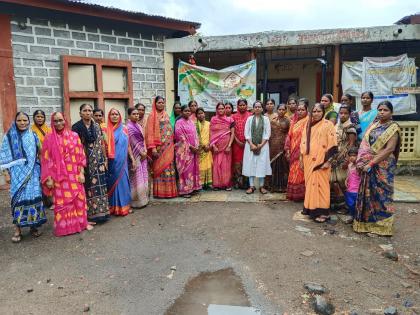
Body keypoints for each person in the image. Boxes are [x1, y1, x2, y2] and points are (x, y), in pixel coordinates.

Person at [353, 101, 401, 236]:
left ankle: (383, 226)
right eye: (379, 110)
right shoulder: (374, 125)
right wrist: (364, 161)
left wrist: (371, 163)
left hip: (383, 165)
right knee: (369, 193)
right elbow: (364, 144)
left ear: (391, 112)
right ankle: (367, 223)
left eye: (385, 110)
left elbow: (390, 149)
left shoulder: (393, 128)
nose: (381, 112)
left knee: (382, 194)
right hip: (369, 163)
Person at [41, 112, 90, 236]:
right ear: (52, 122)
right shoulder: (48, 138)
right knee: (62, 203)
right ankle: (65, 227)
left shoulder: (74, 136)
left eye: (60, 120)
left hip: (74, 174)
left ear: (65, 120)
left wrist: (82, 173)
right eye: (55, 121)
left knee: (78, 199)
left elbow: (80, 156)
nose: (58, 123)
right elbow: (46, 160)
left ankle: (81, 223)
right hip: (58, 177)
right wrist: (48, 178)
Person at [0, 112, 47, 242]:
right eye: (19, 120)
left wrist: (42, 170)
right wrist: (5, 174)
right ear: (15, 121)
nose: (22, 123)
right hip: (16, 175)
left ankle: (33, 226)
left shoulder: (33, 135)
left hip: (32, 173)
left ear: (28, 121)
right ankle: (17, 229)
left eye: (25, 120)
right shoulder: (9, 136)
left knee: (33, 199)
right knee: (17, 200)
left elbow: (39, 153)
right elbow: (4, 156)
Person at [72, 104, 110, 224]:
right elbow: (75, 147)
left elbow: (102, 143)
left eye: (89, 110)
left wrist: (105, 159)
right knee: (88, 187)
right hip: (85, 163)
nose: (87, 113)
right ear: (80, 113)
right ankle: (90, 215)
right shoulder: (76, 128)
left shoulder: (97, 126)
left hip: (98, 161)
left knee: (101, 186)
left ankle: (102, 212)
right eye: (85, 111)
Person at [300, 103, 338, 222]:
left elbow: (333, 145)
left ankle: (323, 212)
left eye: (319, 111)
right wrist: (301, 159)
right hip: (308, 160)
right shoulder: (308, 124)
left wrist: (328, 161)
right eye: (314, 111)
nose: (316, 114)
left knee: (322, 186)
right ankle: (311, 209)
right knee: (310, 185)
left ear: (323, 112)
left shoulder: (328, 125)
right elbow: (303, 143)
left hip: (322, 162)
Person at [146, 96, 178, 198]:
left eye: (162, 102)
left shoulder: (166, 114)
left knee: (169, 168)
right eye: (159, 102)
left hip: (168, 147)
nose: (161, 104)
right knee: (159, 169)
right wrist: (153, 148)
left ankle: (170, 192)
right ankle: (160, 193)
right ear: (155, 104)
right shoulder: (152, 115)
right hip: (159, 148)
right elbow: (149, 133)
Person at [330, 105, 357, 212]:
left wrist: (345, 159)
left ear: (349, 114)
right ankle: (340, 204)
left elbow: (351, 144)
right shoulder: (337, 125)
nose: (343, 115)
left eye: (345, 113)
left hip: (344, 157)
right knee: (334, 181)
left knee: (344, 183)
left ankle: (347, 205)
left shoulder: (350, 127)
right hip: (335, 156)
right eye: (341, 113)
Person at [106, 108, 133, 215]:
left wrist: (132, 158)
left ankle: (124, 207)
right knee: (112, 183)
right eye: (112, 114)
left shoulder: (125, 129)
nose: (114, 116)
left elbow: (128, 145)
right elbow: (104, 146)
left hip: (123, 162)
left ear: (119, 116)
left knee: (123, 184)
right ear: (109, 116)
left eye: (116, 114)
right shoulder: (106, 129)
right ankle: (112, 207)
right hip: (112, 162)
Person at [243, 101, 271, 194]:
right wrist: (251, 144)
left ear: (262, 108)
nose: (258, 108)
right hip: (250, 146)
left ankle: (261, 186)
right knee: (250, 165)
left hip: (263, 146)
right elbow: (246, 133)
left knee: (261, 165)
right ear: (253, 108)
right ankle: (251, 186)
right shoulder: (249, 119)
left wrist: (261, 145)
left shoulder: (266, 119)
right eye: (256, 107)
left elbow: (267, 134)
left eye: (259, 107)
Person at [285, 98, 309, 201]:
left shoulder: (309, 121)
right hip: (293, 150)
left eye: (302, 110)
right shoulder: (294, 121)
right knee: (293, 171)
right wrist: (287, 149)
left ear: (307, 110)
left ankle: (301, 195)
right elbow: (289, 135)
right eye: (298, 110)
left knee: (301, 172)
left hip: (303, 151)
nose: (300, 112)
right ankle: (293, 194)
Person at [174, 105, 201, 197]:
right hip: (184, 152)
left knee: (193, 170)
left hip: (193, 152)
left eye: (189, 111)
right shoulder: (178, 123)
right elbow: (180, 137)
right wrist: (190, 147)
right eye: (185, 111)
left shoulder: (192, 122)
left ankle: (192, 188)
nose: (188, 112)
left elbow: (196, 135)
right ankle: (184, 190)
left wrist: (196, 146)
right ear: (181, 112)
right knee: (185, 170)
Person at [127, 107, 149, 208]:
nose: (136, 115)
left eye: (137, 114)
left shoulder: (139, 126)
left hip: (143, 155)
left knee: (143, 176)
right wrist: (141, 152)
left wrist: (145, 151)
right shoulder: (128, 127)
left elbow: (143, 139)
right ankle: (136, 201)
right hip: (135, 156)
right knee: (136, 178)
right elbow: (132, 142)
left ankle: (144, 199)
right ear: (129, 115)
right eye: (134, 114)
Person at [210, 102, 235, 191]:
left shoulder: (230, 120)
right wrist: (213, 146)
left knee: (226, 166)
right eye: (219, 109)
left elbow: (232, 134)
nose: (220, 110)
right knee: (217, 165)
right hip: (217, 147)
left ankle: (227, 184)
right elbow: (211, 134)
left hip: (226, 147)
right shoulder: (213, 119)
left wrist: (229, 145)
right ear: (216, 110)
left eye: (222, 108)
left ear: (225, 109)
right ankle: (216, 185)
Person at [269, 104, 290, 192]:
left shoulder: (288, 121)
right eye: (279, 109)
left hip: (283, 146)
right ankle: (273, 186)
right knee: (273, 166)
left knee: (283, 167)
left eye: (283, 109)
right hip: (273, 146)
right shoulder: (272, 120)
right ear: (277, 110)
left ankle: (283, 187)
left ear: (286, 110)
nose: (281, 111)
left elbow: (289, 134)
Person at [232, 99, 251, 189]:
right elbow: (232, 131)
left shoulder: (250, 116)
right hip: (236, 144)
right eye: (240, 105)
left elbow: (252, 131)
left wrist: (247, 141)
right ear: (237, 106)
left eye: (244, 105)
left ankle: (246, 182)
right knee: (237, 163)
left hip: (248, 143)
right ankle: (238, 182)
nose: (242, 107)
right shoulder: (233, 117)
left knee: (247, 162)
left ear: (246, 106)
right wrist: (237, 141)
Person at [196, 107, 213, 190]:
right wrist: (202, 146)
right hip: (200, 149)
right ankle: (201, 184)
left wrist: (209, 145)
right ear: (196, 115)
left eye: (202, 113)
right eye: (198, 113)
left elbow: (211, 135)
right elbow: (195, 137)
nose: (200, 115)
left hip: (208, 148)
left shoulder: (209, 124)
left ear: (204, 114)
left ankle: (208, 183)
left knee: (208, 165)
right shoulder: (195, 124)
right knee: (201, 167)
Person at [344, 147, 360, 220]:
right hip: (349, 189)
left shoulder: (359, 166)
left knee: (356, 205)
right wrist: (346, 180)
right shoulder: (350, 165)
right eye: (350, 156)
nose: (352, 157)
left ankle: (356, 218)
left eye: (354, 155)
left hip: (357, 190)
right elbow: (348, 174)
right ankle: (352, 216)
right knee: (350, 204)